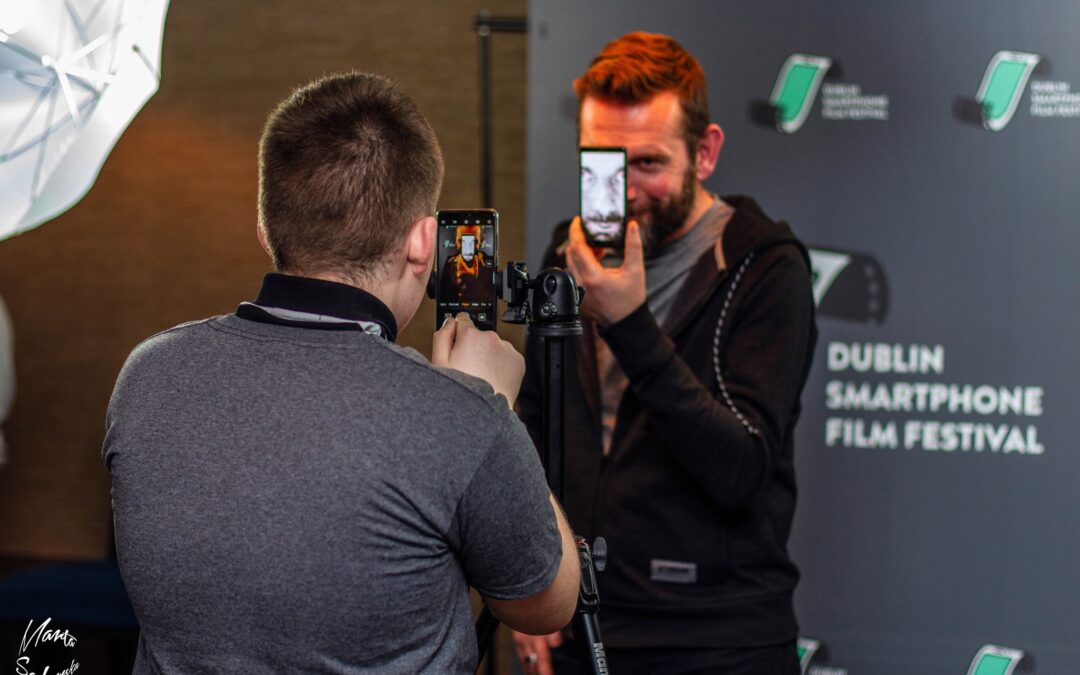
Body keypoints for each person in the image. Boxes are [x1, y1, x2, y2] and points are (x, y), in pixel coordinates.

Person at [103, 72, 579, 674]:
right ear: (423, 243)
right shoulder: (461, 415)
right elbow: (547, 604)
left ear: (266, 230)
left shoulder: (146, 375)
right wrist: (488, 403)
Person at [514, 32, 818, 674]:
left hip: (719, 642)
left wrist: (628, 323)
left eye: (647, 164)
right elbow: (535, 436)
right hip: (580, 625)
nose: (623, 191)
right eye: (602, 163)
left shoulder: (765, 270)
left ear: (704, 154)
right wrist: (531, 585)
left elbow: (739, 468)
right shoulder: (564, 259)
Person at [439, 223, 494, 303]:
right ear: (455, 240)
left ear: (481, 240)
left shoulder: (490, 263)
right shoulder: (449, 264)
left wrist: (471, 281)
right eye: (462, 241)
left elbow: (490, 300)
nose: (468, 249)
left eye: (474, 241)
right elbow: (444, 299)